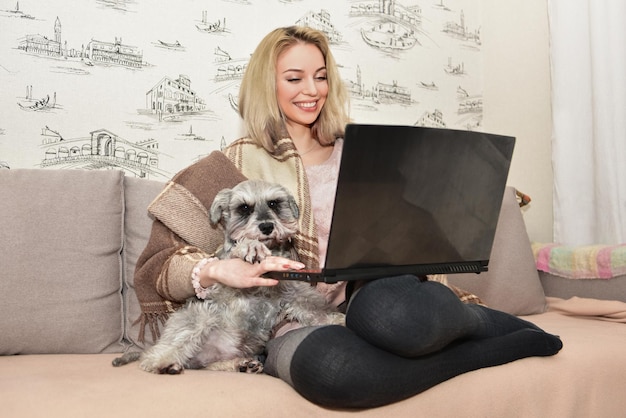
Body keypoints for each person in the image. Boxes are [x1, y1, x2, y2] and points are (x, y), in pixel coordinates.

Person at [134, 26, 562, 409]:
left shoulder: (363, 155)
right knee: (335, 373)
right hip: (283, 318)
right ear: (268, 85)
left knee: (396, 316)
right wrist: (219, 269)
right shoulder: (227, 167)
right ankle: (498, 346)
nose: (312, 89)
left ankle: (475, 321)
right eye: (294, 78)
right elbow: (159, 265)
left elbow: (410, 234)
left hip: (371, 295)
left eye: (321, 76)